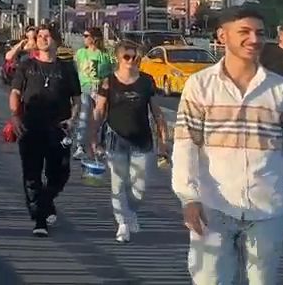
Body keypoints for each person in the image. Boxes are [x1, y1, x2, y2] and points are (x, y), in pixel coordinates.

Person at [173, 5, 283, 285]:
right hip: (213, 209)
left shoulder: (282, 90)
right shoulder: (200, 86)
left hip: (267, 211)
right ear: (222, 36)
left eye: (259, 33)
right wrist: (188, 198)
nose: (254, 39)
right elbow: (186, 145)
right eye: (244, 32)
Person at [88, 40, 169, 243]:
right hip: (116, 139)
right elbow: (99, 110)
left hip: (142, 140)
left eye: (136, 57)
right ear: (118, 58)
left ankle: (131, 212)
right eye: (127, 57)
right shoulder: (108, 82)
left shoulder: (146, 81)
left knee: (139, 188)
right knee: (118, 183)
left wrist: (163, 140)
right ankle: (122, 223)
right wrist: (92, 137)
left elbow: (157, 112)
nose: (132, 61)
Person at [9, 23, 81, 237]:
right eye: (40, 36)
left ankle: (45, 202)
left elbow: (76, 99)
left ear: (57, 40)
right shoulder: (26, 65)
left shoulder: (66, 68)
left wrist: (72, 118)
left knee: (60, 172)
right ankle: (40, 219)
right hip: (30, 126)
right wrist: (15, 117)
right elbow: (15, 92)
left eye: (48, 36)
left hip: (58, 128)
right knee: (32, 174)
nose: (43, 39)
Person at [73, 27, 115, 159]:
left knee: (101, 118)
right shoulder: (80, 53)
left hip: (101, 89)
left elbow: (111, 71)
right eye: (84, 36)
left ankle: (99, 145)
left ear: (94, 38)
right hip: (85, 87)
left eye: (86, 36)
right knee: (84, 116)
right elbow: (76, 69)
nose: (84, 38)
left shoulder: (105, 55)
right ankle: (80, 146)